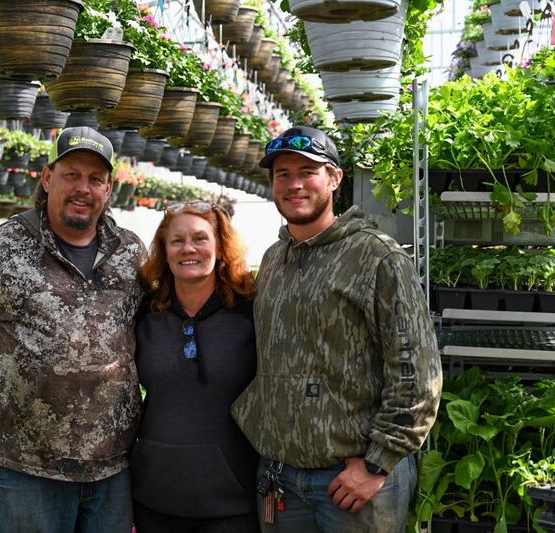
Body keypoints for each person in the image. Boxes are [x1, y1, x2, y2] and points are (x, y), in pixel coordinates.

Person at [231, 126, 442, 532]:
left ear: (334, 179)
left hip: (352, 483)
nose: (294, 184)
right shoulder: (274, 259)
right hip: (281, 479)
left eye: (308, 172)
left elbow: (417, 372)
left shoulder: (376, 257)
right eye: (283, 174)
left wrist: (378, 463)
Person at [0, 127, 147, 533]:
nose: (83, 189)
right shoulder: (3, 249)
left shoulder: (130, 252)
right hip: (27, 470)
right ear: (48, 178)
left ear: (108, 189)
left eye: (95, 179)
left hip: (112, 468)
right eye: (72, 175)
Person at [132, 200, 259, 533]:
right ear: (165, 250)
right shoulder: (144, 313)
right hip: (155, 496)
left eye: (200, 238)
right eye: (177, 241)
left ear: (219, 248)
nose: (188, 248)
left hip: (232, 500)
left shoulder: (251, 310)